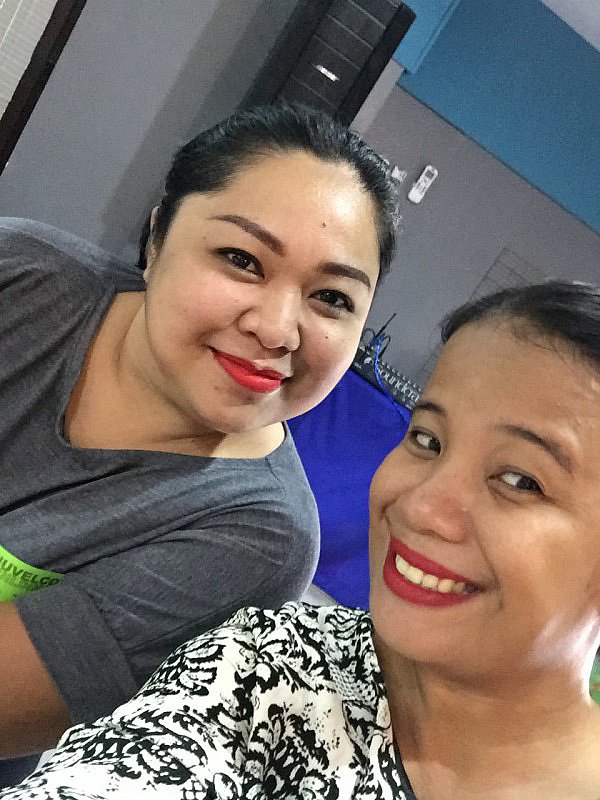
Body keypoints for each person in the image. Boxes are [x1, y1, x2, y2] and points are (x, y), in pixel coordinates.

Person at [3, 279, 599, 800]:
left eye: (520, 480)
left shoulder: (267, 526)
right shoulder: (267, 671)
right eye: (428, 440)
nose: (421, 507)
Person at [0, 102, 399, 782]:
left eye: (332, 298)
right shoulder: (25, 277)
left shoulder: (257, 536)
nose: (277, 328)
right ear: (157, 239)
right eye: (242, 260)